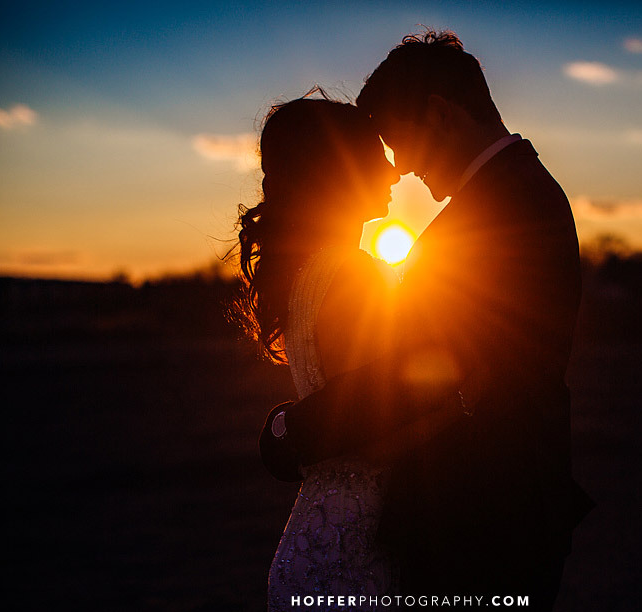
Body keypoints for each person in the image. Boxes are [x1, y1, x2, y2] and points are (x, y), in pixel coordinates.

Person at [261, 31, 593, 610]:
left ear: (440, 114)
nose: (403, 169)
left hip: (492, 514)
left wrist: (290, 431)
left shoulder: (505, 210)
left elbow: (421, 377)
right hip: (479, 513)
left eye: (400, 143)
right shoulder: (500, 201)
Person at [236, 94, 401, 610]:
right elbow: (373, 410)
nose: (395, 173)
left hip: (319, 530)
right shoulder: (353, 273)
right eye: (377, 155)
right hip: (363, 546)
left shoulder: (308, 273)